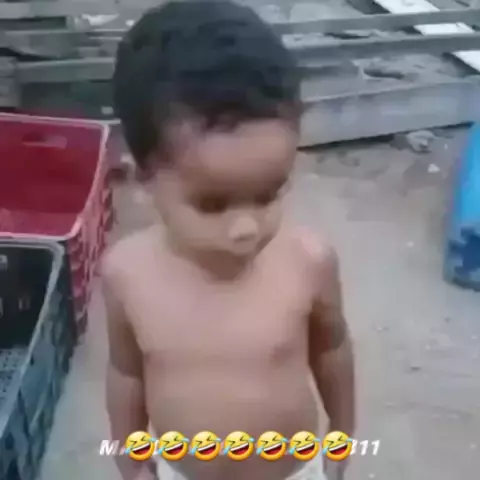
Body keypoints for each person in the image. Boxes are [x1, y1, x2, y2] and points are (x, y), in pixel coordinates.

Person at [103, 1, 355, 479]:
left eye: (269, 194)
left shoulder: (309, 262)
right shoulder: (126, 274)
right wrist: (132, 461)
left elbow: (332, 349)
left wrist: (341, 436)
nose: (247, 228)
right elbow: (126, 372)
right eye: (213, 204)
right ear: (143, 179)